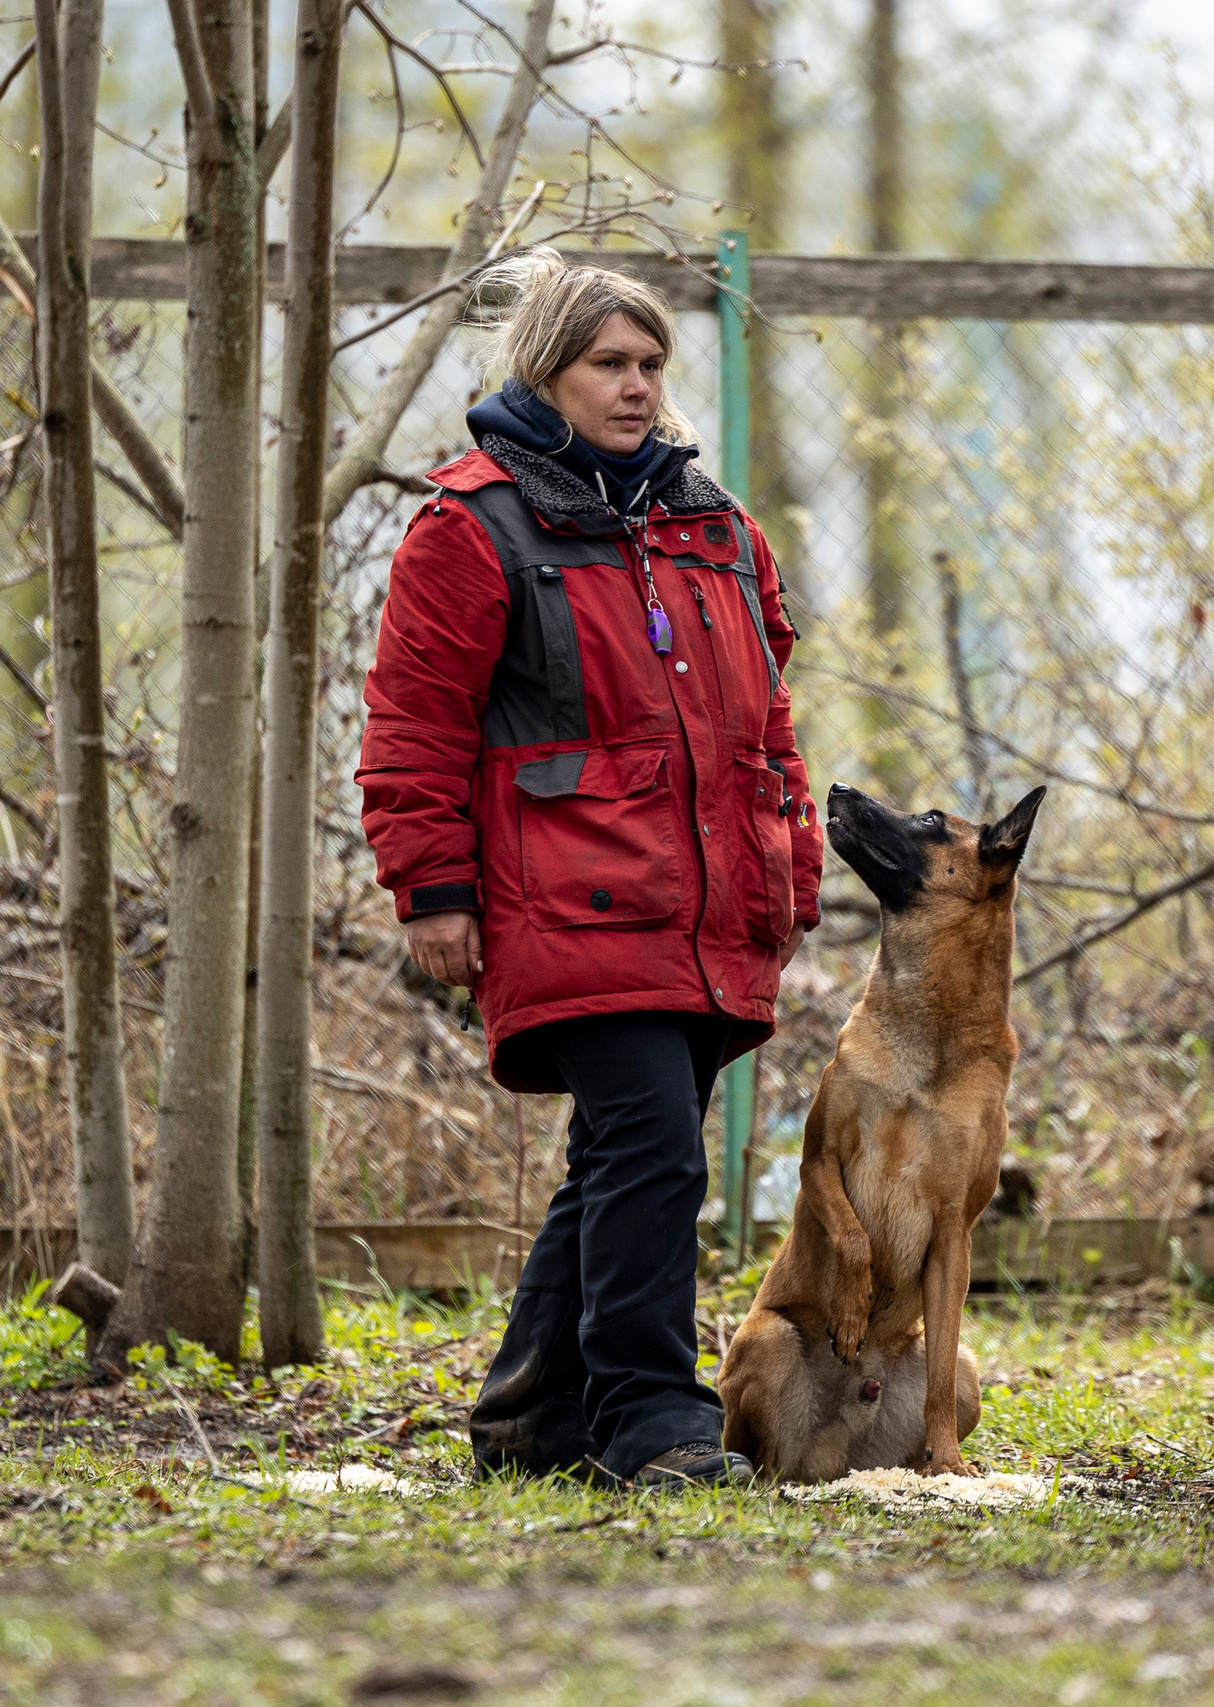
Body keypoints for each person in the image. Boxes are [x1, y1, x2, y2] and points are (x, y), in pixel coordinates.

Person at [356, 247, 822, 1490]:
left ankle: (529, 1423)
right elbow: (413, 725)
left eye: (650, 364)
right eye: (606, 364)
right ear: (546, 372)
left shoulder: (713, 526)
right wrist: (432, 890)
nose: (634, 386)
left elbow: (766, 721)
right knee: (656, 1150)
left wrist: (792, 859)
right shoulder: (471, 525)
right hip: (566, 900)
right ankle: (650, 1422)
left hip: (709, 904)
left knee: (627, 1157)